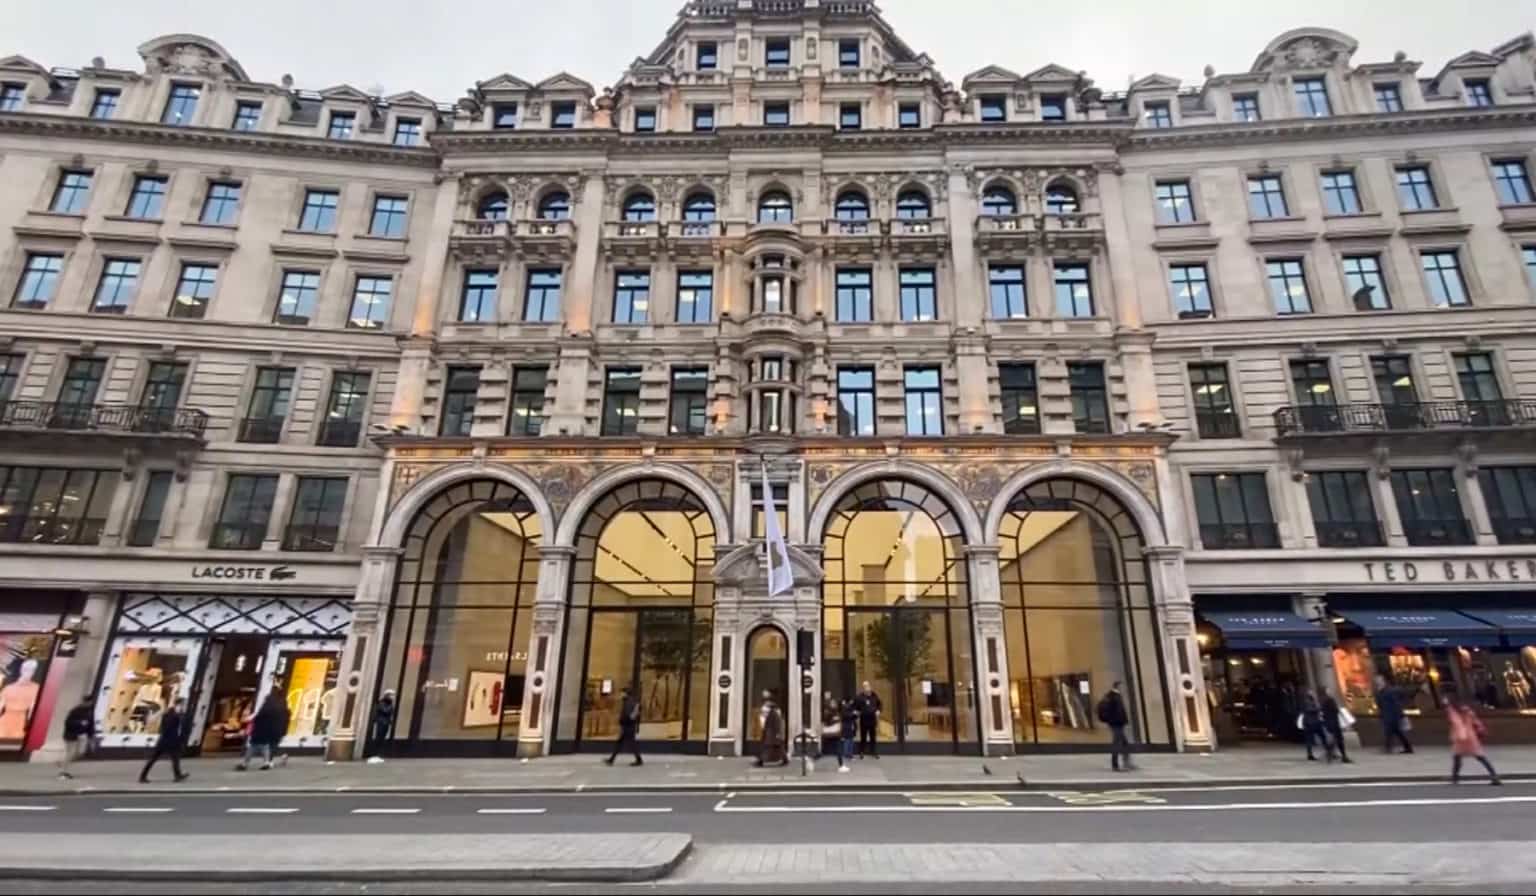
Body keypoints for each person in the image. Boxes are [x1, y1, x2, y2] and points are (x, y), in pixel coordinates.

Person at [1447, 701, 1501, 785]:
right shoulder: (1469, 713)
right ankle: (1494, 776)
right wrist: (1481, 730)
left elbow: (1450, 712)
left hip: (1460, 739)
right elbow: (1477, 723)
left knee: (1457, 758)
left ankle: (1455, 778)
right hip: (1470, 738)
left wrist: (1447, 704)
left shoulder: (1454, 714)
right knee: (1480, 757)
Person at [238, 686, 291, 771]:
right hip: (276, 730)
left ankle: (245, 763)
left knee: (254, 746)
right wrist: (284, 731)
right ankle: (268, 761)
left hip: (262, 730)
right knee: (269, 746)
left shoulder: (267, 707)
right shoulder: (284, 709)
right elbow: (286, 722)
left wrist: (253, 721)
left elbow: (259, 717)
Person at [139, 696, 189, 784]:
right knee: (154, 759)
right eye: (184, 704)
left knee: (175, 758)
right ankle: (142, 776)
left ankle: (178, 776)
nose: (185, 706)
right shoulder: (170, 712)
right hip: (166, 741)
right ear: (179, 704)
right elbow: (166, 727)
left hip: (171, 741)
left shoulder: (177, 713)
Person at [1096, 681, 1135, 771]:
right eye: (1123, 687)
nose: (1125, 690)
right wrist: (1121, 721)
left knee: (1125, 744)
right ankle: (1115, 765)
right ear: (1118, 687)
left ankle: (1127, 763)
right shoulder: (1114, 696)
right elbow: (1118, 711)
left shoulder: (1113, 695)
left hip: (1117, 723)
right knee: (1117, 744)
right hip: (1116, 724)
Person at [58, 695, 96, 780]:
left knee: (80, 753)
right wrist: (80, 723)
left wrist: (91, 737)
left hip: (81, 735)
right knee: (70, 753)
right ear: (84, 702)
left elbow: (91, 725)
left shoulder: (90, 711)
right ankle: (63, 772)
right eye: (86, 702)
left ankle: (64, 763)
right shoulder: (75, 710)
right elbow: (68, 722)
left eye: (89, 702)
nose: (88, 704)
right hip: (71, 735)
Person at [1375, 675, 1414, 754]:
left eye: (1379, 681)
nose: (1378, 682)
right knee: (1397, 732)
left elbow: (1400, 698)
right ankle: (1406, 747)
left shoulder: (1390, 690)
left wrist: (1401, 710)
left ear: (1383, 681)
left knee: (1390, 731)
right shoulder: (1380, 692)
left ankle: (1388, 747)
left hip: (1393, 715)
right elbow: (1380, 704)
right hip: (1388, 714)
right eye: (1377, 681)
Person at [604, 685, 642, 767]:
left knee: (629, 743)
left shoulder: (628, 702)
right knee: (622, 743)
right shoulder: (631, 701)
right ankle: (611, 759)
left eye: (621, 693)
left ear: (625, 693)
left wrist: (622, 723)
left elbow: (627, 715)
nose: (620, 695)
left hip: (627, 726)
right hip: (629, 726)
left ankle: (638, 760)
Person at [1318, 688, 1351, 763]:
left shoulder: (1322, 701)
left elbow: (1322, 712)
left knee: (1334, 739)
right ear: (1326, 692)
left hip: (1328, 723)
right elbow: (1335, 710)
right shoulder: (1330, 700)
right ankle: (1342, 756)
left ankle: (1332, 753)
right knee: (1338, 740)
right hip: (1334, 722)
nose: (1331, 691)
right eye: (1329, 690)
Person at [755, 691, 787, 767]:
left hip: (771, 735)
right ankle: (784, 759)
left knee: (767, 748)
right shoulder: (772, 713)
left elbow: (776, 725)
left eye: (768, 706)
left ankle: (761, 761)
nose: (767, 707)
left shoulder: (774, 713)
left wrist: (778, 734)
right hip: (771, 734)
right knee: (777, 748)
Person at [853, 682, 881, 759]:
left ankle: (874, 752)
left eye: (868, 686)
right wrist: (856, 712)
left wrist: (878, 710)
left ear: (870, 687)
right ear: (863, 688)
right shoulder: (859, 697)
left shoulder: (874, 695)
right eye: (865, 686)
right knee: (863, 737)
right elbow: (855, 707)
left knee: (873, 737)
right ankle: (862, 752)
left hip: (872, 719)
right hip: (864, 720)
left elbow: (879, 704)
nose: (867, 688)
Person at [1299, 690, 1327, 761]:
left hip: (1312, 722)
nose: (1314, 694)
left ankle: (1311, 754)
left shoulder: (1310, 701)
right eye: (1312, 693)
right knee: (1318, 737)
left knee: (1317, 738)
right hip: (1312, 722)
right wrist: (1318, 708)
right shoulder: (1307, 701)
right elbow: (1310, 710)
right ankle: (1311, 754)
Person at [838, 698, 858, 773]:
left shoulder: (849, 709)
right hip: (847, 726)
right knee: (848, 740)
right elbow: (846, 716)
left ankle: (850, 754)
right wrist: (854, 714)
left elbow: (854, 717)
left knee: (851, 740)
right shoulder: (844, 709)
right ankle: (847, 754)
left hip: (851, 726)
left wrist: (855, 714)